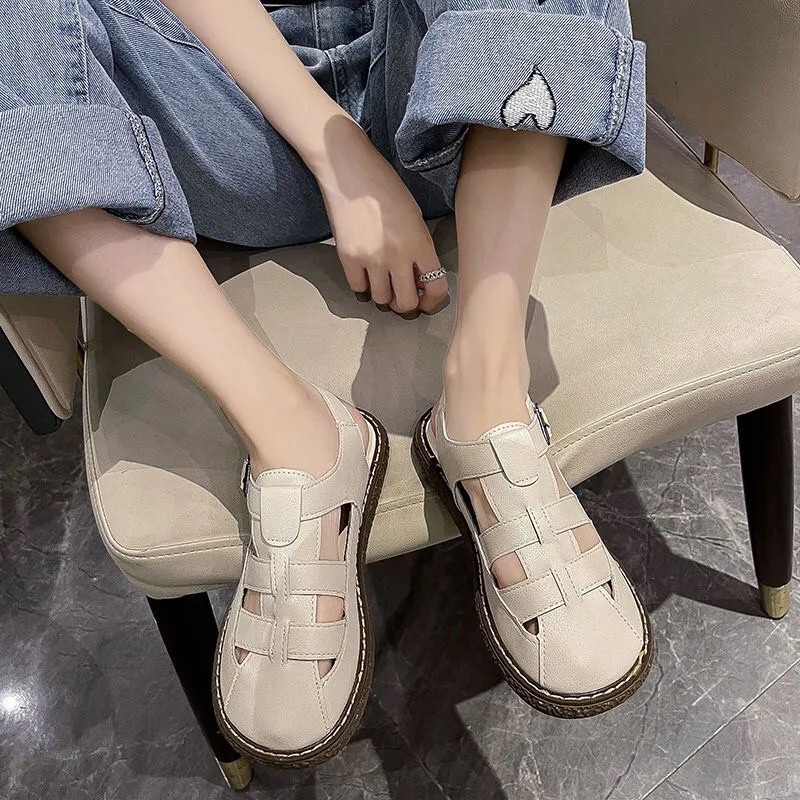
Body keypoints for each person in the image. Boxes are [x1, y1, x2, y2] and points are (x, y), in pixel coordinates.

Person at [1, 0, 652, 767]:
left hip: (460, 92)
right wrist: (335, 148)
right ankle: (287, 429)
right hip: (225, 121)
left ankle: (487, 393)